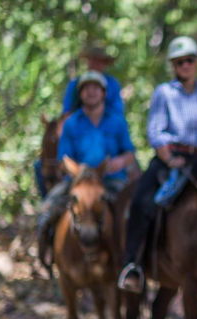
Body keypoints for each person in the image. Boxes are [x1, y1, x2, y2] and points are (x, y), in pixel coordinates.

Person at [118, 36, 197, 293]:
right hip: (170, 159)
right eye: (180, 62)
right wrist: (170, 159)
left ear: (196, 62)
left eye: (189, 60)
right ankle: (132, 264)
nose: (185, 66)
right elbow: (156, 131)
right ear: (173, 66)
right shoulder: (164, 93)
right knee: (142, 202)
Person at [37, 70, 136, 262]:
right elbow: (63, 158)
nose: (91, 92)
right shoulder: (72, 123)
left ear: (103, 93)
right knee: (48, 209)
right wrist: (79, 170)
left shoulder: (117, 121)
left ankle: (132, 261)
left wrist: (120, 162)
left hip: (111, 180)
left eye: (95, 88)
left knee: (133, 213)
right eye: (86, 88)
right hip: (78, 182)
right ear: (80, 94)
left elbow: (129, 153)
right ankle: (48, 253)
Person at [62, 44, 125, 116]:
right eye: (93, 60)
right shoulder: (75, 84)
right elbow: (67, 110)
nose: (96, 64)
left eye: (100, 61)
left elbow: (118, 110)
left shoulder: (113, 84)